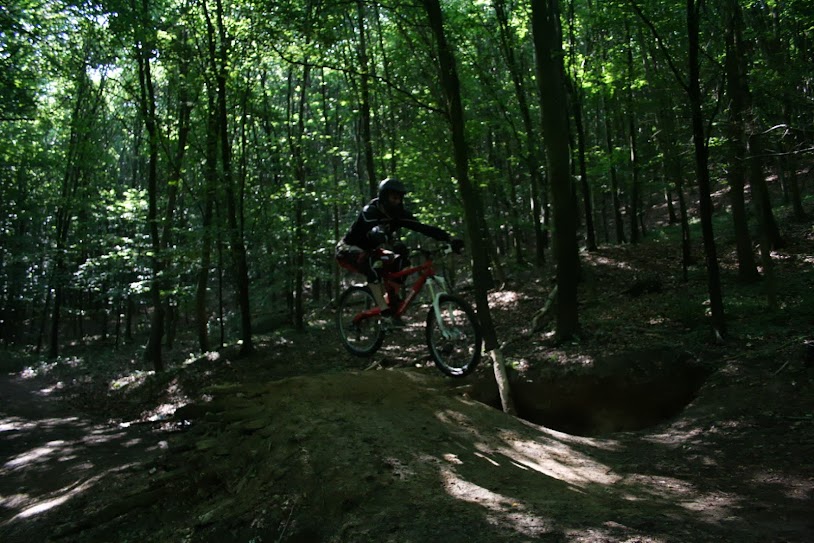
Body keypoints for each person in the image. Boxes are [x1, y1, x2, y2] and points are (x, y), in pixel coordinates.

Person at [336, 177, 462, 325]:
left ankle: (391, 301)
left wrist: (449, 238)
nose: (397, 202)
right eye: (394, 198)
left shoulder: (399, 214)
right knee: (371, 261)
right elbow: (373, 230)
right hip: (347, 249)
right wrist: (390, 240)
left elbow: (423, 228)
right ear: (384, 197)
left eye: (399, 199)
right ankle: (384, 311)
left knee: (400, 260)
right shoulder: (370, 211)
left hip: (372, 250)